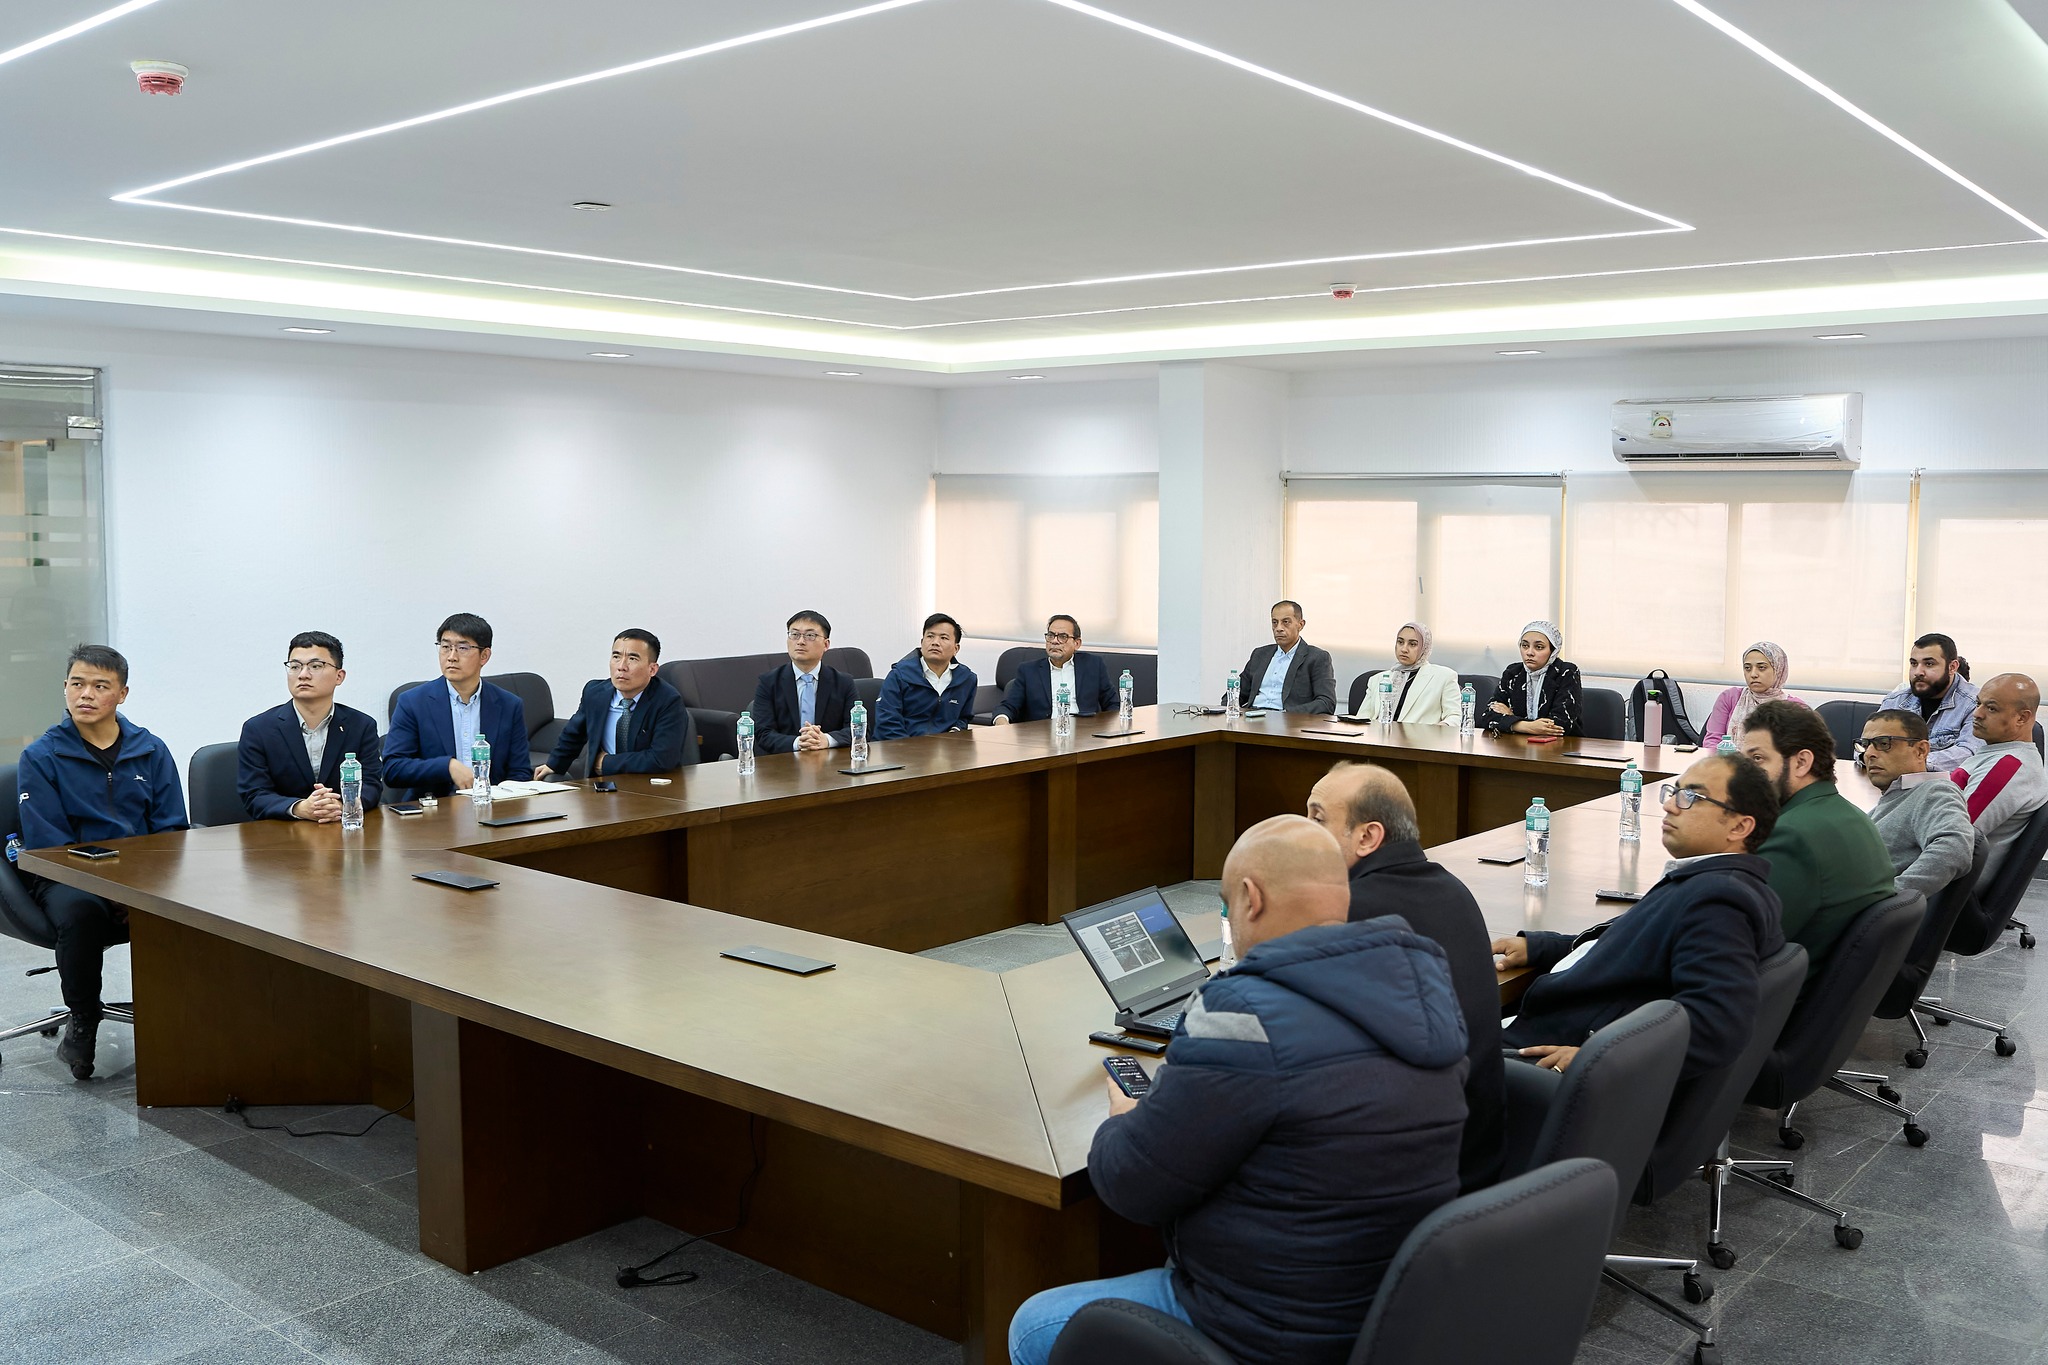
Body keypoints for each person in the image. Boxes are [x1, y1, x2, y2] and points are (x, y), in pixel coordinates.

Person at [1007, 816, 1466, 1365]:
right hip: (1393, 1313)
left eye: (1226, 907)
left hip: (1272, 1329)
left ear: (1251, 898)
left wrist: (1124, 1118)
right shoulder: (1419, 984)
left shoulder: (1240, 1015)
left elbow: (1131, 1185)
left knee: (1032, 1328)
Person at [1495, 753, 1784, 1079]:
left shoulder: (1719, 902)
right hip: (1556, 1035)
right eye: (1674, 792)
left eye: (1692, 797)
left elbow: (1717, 1026)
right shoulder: (1707, 881)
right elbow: (1631, 947)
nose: (1670, 805)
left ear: (1739, 826)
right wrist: (1543, 947)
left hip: (1546, 1058)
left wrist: (1602, 1058)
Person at [1306, 761, 1501, 1190]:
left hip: (1411, 1181)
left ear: (1367, 836)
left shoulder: (1348, 911)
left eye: (1317, 819)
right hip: (1476, 1160)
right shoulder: (1452, 889)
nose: (1303, 833)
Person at [15, 645, 188, 1079]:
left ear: (122, 694)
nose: (86, 694)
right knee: (81, 913)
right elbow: (50, 845)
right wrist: (114, 891)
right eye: (77, 684)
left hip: (140, 874)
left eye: (99, 686)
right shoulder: (42, 756)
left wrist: (139, 886)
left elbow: (171, 831)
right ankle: (83, 1017)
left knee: (194, 906)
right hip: (66, 876)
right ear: (65, 688)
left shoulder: (151, 750)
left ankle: (182, 1018)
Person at [1739, 700, 1895, 980]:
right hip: (1826, 991)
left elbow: (1740, 941)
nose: (1743, 773)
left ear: (1801, 762)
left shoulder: (1791, 836)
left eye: (1757, 759)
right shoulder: (1851, 816)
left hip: (1774, 997)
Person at [237, 631, 385, 821]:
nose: (303, 675)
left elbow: (371, 784)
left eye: (315, 666)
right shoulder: (258, 729)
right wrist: (300, 808)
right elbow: (254, 794)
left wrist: (343, 806)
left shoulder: (361, 726)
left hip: (342, 826)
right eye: (295, 666)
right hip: (282, 832)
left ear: (339, 676)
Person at [384, 613, 534, 796]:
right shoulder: (413, 702)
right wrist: (447, 766)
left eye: (462, 648)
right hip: (436, 808)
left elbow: (520, 773)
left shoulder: (509, 705)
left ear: (484, 656)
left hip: (492, 806)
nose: (451, 657)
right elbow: (393, 769)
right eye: (445, 647)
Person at [534, 629, 691, 779]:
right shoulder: (595, 693)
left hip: (650, 787)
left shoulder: (667, 701)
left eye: (632, 659)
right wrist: (554, 765)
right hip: (601, 786)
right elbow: (574, 734)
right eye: (616, 656)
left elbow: (662, 759)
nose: (621, 666)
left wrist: (605, 763)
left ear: (652, 669)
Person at [1857, 709, 1978, 902]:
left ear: (1921, 751)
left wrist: (1888, 900)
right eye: (1865, 745)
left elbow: (1955, 850)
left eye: (1884, 743)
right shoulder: (1899, 795)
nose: (1869, 754)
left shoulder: (1936, 792)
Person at [1949, 673, 2048, 881]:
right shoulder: (1996, 755)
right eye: (1978, 703)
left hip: (1938, 885)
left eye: (1991, 708)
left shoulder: (2008, 767)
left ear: (2022, 718)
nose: (1977, 713)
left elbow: (1952, 835)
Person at [751, 610, 860, 753]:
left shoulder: (843, 682)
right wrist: (799, 742)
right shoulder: (769, 682)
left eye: (810, 636)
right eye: (794, 634)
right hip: (785, 760)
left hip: (830, 759)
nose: (800, 642)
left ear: (826, 644)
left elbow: (859, 728)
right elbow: (763, 733)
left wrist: (826, 740)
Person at [1879, 633, 1981, 771]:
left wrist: (1907, 762)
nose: (1918, 672)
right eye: (1914, 663)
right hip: (1893, 780)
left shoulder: (1975, 704)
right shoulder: (1894, 701)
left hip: (1946, 783)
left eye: (1929, 664)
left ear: (1952, 667)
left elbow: (1969, 753)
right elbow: (1864, 748)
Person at [994, 614, 1118, 724]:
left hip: (1085, 733)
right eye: (1051, 635)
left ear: (1077, 643)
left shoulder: (1093, 665)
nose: (1054, 641)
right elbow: (1009, 706)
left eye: (1063, 637)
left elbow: (1113, 704)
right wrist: (1002, 722)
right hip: (1041, 736)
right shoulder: (1028, 671)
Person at [875, 613, 979, 739]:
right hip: (899, 746)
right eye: (930, 636)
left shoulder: (967, 679)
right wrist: (912, 748)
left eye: (944, 638)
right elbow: (887, 722)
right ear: (922, 642)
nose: (935, 642)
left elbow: (963, 718)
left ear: (956, 649)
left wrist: (954, 735)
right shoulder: (899, 675)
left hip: (944, 747)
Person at [1701, 641, 1806, 751]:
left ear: (1778, 669)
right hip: (1728, 761)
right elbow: (1712, 742)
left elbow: (1799, 750)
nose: (1753, 674)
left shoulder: (1796, 708)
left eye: (1761, 667)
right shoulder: (1729, 697)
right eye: (1747, 668)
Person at [1484, 620, 1582, 736]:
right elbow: (1487, 717)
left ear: (1553, 650)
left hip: (1562, 744)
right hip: (1517, 744)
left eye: (1539, 647)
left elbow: (1559, 725)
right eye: (1525, 646)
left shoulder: (1567, 672)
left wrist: (1511, 717)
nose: (1529, 652)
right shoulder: (1513, 672)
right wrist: (1527, 726)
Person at [1237, 600, 1336, 714]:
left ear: (1301, 625)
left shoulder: (1317, 658)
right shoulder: (1259, 655)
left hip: (1289, 720)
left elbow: (1326, 703)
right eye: (1275, 622)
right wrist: (1228, 711)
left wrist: (1286, 714)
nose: (1278, 628)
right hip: (1253, 717)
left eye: (1286, 622)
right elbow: (1235, 692)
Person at [1363, 622, 1460, 725]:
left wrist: (1436, 731)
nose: (1404, 649)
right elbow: (1361, 719)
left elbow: (1454, 717)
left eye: (1412, 644)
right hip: (1377, 734)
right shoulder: (1376, 679)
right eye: (1400, 642)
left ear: (1424, 647)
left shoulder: (1444, 677)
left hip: (1419, 735)